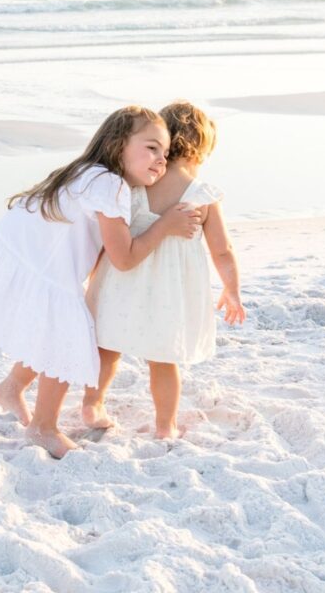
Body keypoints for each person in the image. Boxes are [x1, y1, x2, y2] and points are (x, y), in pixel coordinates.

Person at [0, 106, 202, 458]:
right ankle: (43, 427)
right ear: (118, 145)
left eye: (165, 152)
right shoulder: (110, 185)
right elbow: (124, 258)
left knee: (50, 336)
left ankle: (10, 388)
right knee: (67, 342)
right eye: (151, 148)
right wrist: (166, 226)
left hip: (21, 255)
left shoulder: (89, 172)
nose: (161, 160)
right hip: (47, 271)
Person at [84, 101, 246, 439]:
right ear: (202, 150)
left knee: (107, 349)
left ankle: (92, 404)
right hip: (167, 294)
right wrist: (231, 289)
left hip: (122, 283)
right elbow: (223, 250)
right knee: (163, 360)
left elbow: (110, 237)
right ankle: (165, 426)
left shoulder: (133, 183)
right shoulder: (202, 195)